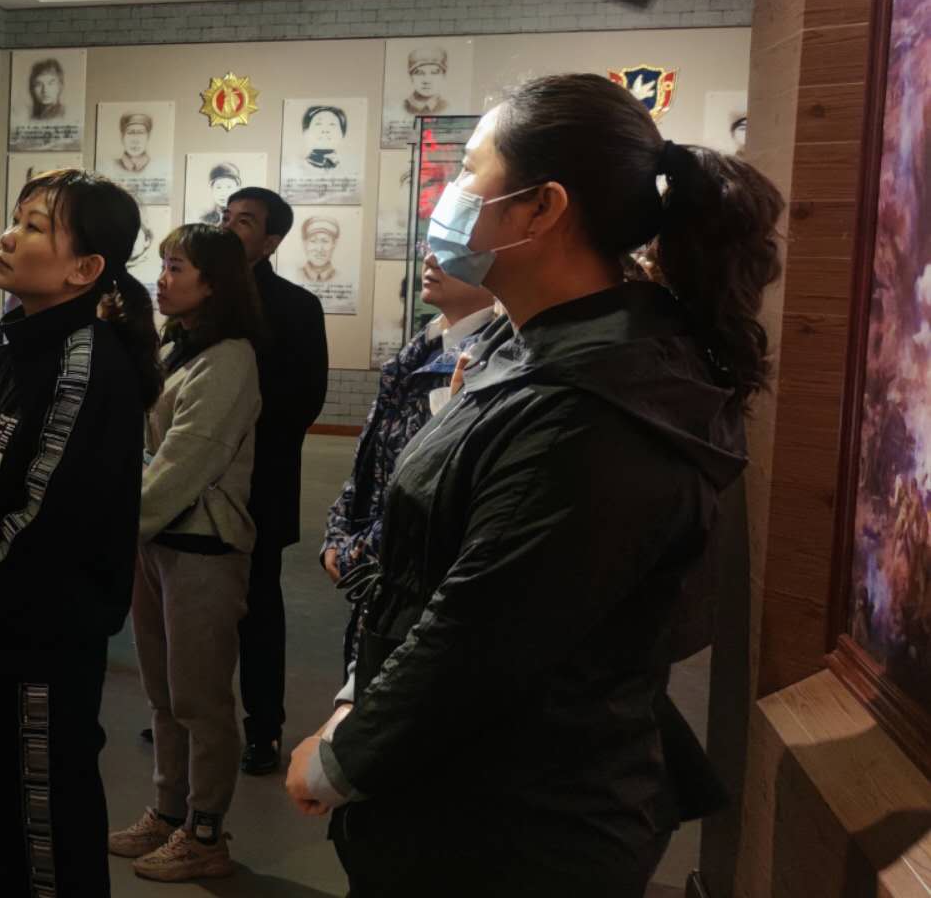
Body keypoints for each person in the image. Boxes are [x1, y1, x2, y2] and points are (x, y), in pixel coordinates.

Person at [285, 73, 783, 897]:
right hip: (464, 793)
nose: (446, 197)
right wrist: (355, 696)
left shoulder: (593, 407)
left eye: (468, 171)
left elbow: (482, 628)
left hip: (516, 827)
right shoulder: (532, 349)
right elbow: (431, 566)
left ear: (542, 208)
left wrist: (345, 757)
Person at [0, 169, 161, 896]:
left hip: (40, 641)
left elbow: (42, 519)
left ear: (85, 268)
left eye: (37, 226)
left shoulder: (85, 366)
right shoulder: (21, 346)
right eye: (17, 219)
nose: (10, 236)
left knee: (42, 839)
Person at [110, 223, 265, 882]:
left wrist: (111, 526)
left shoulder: (229, 358)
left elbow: (183, 464)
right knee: (163, 693)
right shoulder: (180, 346)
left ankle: (205, 831)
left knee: (200, 698)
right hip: (156, 542)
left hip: (201, 547)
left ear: (215, 283)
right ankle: (168, 812)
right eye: (164, 264)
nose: (162, 278)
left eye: (177, 267)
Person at [319, 255, 497, 670]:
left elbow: (434, 489)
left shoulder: (487, 359)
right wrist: (339, 529)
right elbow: (372, 458)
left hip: (417, 589)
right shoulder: (426, 345)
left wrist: (357, 552)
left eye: (458, 246)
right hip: (382, 580)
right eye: (433, 243)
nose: (431, 257)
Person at [219, 186, 327, 775]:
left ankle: (264, 727)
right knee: (192, 608)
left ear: (271, 240)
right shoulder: (200, 297)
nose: (228, 228)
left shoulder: (296, 306)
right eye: (226, 216)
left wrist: (234, 435)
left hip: (260, 480)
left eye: (244, 221)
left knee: (257, 606)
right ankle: (197, 713)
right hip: (195, 481)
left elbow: (304, 401)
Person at [404, 48, 450, 116]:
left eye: (434, 73)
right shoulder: (401, 107)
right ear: (411, 77)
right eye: (419, 73)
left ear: (443, 76)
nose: (427, 80)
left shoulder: (448, 107)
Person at [297, 216, 341, 283]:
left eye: (325, 241)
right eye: (313, 241)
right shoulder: (295, 276)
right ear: (305, 244)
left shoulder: (342, 277)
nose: (319, 249)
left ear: (334, 244)